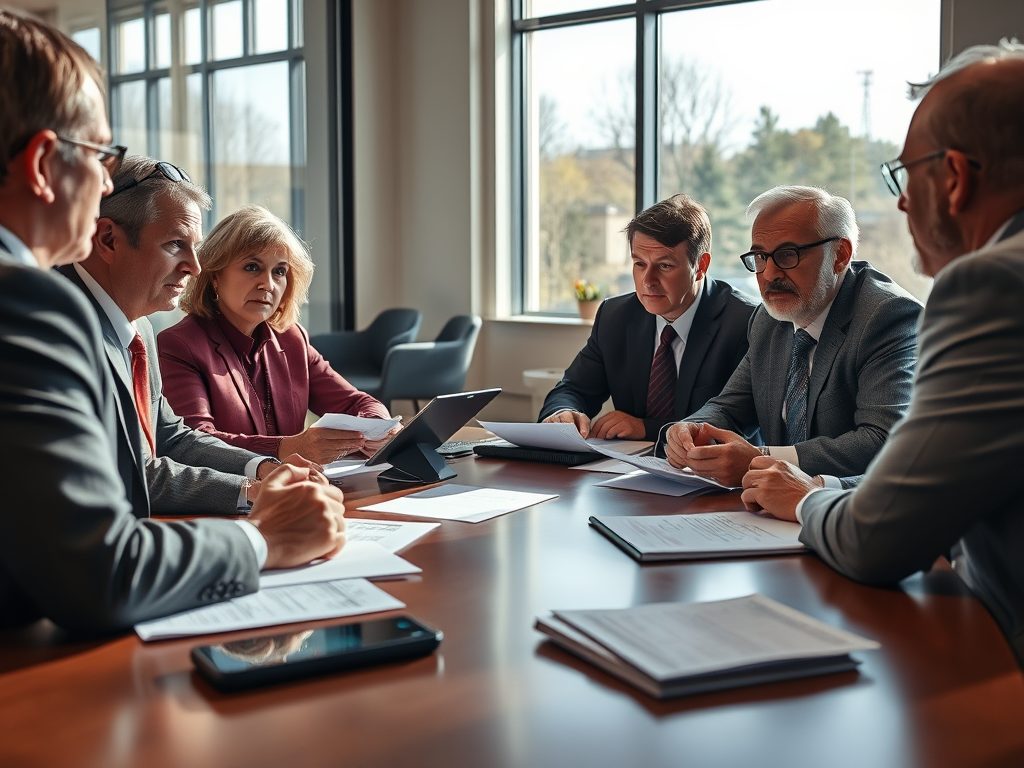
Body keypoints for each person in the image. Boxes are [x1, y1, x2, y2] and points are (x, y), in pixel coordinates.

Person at [0, 9, 344, 631]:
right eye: (101, 153)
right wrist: (266, 541)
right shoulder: (28, 305)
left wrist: (257, 481)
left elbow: (153, 453)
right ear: (44, 164)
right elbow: (101, 572)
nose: (106, 178)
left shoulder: (129, 333)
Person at [740, 42, 1024, 662]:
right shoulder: (768, 320)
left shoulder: (989, 286)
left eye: (906, 174)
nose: (900, 202)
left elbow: (878, 539)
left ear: (953, 178)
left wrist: (805, 493)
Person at [58, 155, 304, 515]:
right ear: (108, 239)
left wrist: (264, 468)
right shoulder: (58, 327)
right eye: (176, 244)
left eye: (195, 246)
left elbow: (170, 435)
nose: (196, 266)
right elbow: (130, 473)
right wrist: (252, 491)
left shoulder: (139, 326)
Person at [662, 185, 921, 487]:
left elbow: (882, 441)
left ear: (840, 255)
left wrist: (761, 458)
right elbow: (729, 407)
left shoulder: (886, 316)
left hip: (849, 512)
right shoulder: (768, 319)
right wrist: (688, 430)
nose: (769, 274)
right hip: (768, 513)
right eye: (760, 256)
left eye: (787, 255)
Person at [158, 204, 396, 465]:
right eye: (252, 267)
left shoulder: (292, 338)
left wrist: (379, 427)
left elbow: (356, 402)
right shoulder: (179, 345)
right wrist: (287, 448)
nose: (268, 284)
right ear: (215, 276)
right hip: (232, 498)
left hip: (296, 489)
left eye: (279, 271)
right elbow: (195, 443)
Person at [539, 193, 756, 441]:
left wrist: (647, 428)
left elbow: (742, 423)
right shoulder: (615, 316)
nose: (647, 281)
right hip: (622, 471)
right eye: (639, 263)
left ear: (701, 266)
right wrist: (563, 412)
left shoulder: (745, 322)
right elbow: (573, 389)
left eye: (664, 266)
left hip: (711, 475)